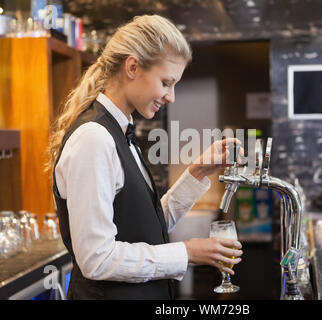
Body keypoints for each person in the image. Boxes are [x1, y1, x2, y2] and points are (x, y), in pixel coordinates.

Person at [46, 14, 243, 300]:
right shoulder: (94, 138)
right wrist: (185, 253)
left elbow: (143, 225)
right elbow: (97, 259)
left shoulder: (120, 131)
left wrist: (197, 173)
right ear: (133, 67)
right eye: (166, 82)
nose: (171, 96)